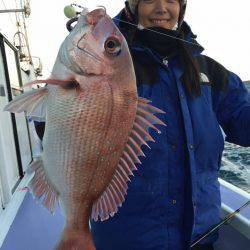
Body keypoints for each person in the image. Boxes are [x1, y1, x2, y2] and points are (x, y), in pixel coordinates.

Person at [89, 1, 250, 250]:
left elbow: (243, 120)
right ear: (132, 6)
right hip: (127, 241)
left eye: (172, 0)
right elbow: (63, 122)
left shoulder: (207, 70)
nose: (162, 8)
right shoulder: (106, 62)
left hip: (198, 239)